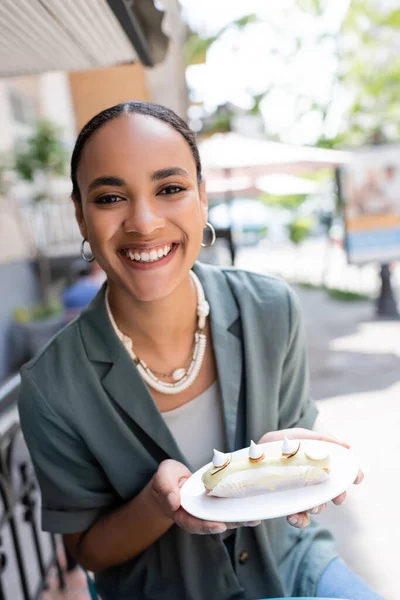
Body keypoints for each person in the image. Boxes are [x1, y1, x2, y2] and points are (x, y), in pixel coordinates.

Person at [18, 102, 383, 600]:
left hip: (293, 567)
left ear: (202, 198)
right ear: (80, 215)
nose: (144, 223)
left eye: (170, 189)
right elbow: (87, 551)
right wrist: (156, 504)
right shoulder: (51, 386)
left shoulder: (271, 308)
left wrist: (298, 461)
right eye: (109, 197)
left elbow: (299, 443)